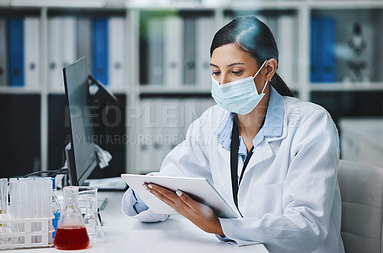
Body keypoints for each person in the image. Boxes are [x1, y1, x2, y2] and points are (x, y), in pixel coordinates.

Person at [122, 15, 344, 253]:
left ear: (268, 69)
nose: (223, 83)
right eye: (216, 72)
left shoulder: (311, 124)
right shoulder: (211, 122)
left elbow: (306, 228)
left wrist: (220, 227)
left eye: (236, 72)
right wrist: (145, 193)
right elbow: (173, 180)